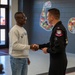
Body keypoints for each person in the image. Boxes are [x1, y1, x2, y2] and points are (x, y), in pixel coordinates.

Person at [34, 8, 68, 75]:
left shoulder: (59, 29)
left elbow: (59, 47)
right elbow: (53, 43)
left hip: (58, 61)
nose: (47, 18)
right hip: (56, 60)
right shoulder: (57, 27)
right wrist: (39, 46)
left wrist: (47, 50)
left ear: (52, 17)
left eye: (47, 16)